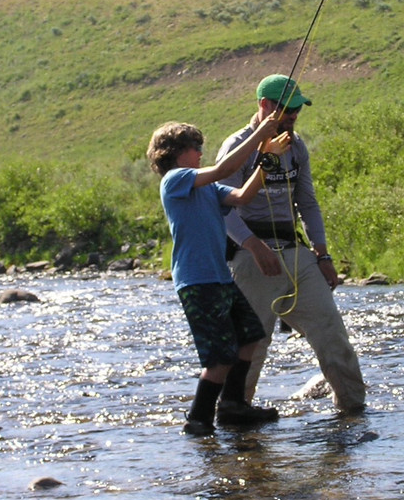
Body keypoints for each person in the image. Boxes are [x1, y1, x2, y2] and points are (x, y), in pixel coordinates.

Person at [216, 74, 366, 413]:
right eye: (289, 108)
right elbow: (222, 207)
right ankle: (235, 413)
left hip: (296, 253)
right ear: (265, 106)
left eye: (299, 108)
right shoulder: (236, 146)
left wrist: (323, 254)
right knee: (253, 343)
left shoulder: (296, 147)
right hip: (251, 256)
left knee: (333, 336)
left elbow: (308, 204)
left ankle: (353, 411)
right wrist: (253, 245)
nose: (295, 115)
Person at [148, 114, 292, 436]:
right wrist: (258, 137)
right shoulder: (175, 180)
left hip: (220, 278)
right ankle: (198, 419)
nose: (200, 151)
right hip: (197, 281)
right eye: (194, 147)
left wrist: (267, 160)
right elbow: (226, 168)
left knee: (251, 336)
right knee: (220, 357)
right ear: (174, 152)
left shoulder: (207, 187)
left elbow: (242, 196)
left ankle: (232, 405)